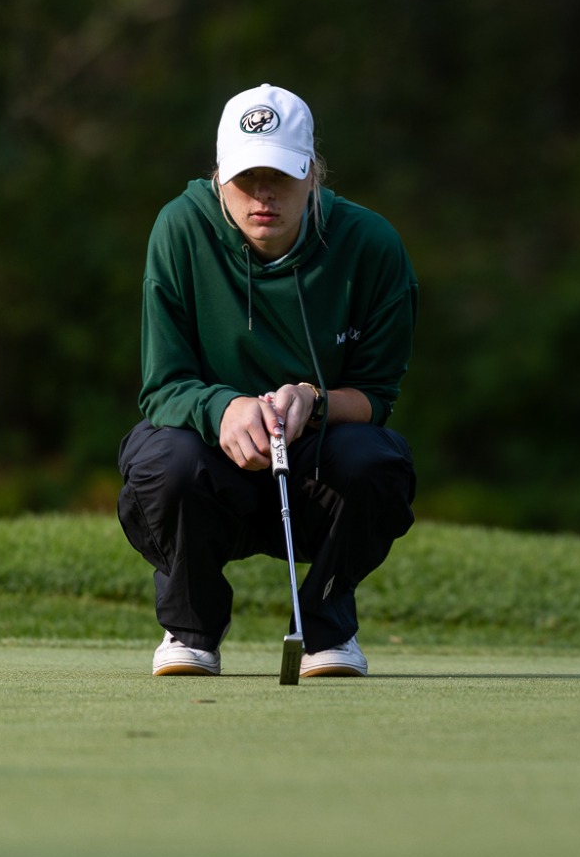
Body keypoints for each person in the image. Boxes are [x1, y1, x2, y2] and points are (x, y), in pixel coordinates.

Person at [117, 84, 418, 677]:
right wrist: (225, 409)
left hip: (313, 473)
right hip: (208, 469)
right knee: (161, 461)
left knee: (378, 464)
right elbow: (163, 386)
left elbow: (378, 397)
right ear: (218, 175)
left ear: (312, 175)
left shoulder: (371, 246)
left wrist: (312, 399)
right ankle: (191, 629)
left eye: (280, 175)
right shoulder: (180, 230)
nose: (262, 193)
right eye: (246, 175)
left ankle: (327, 629)